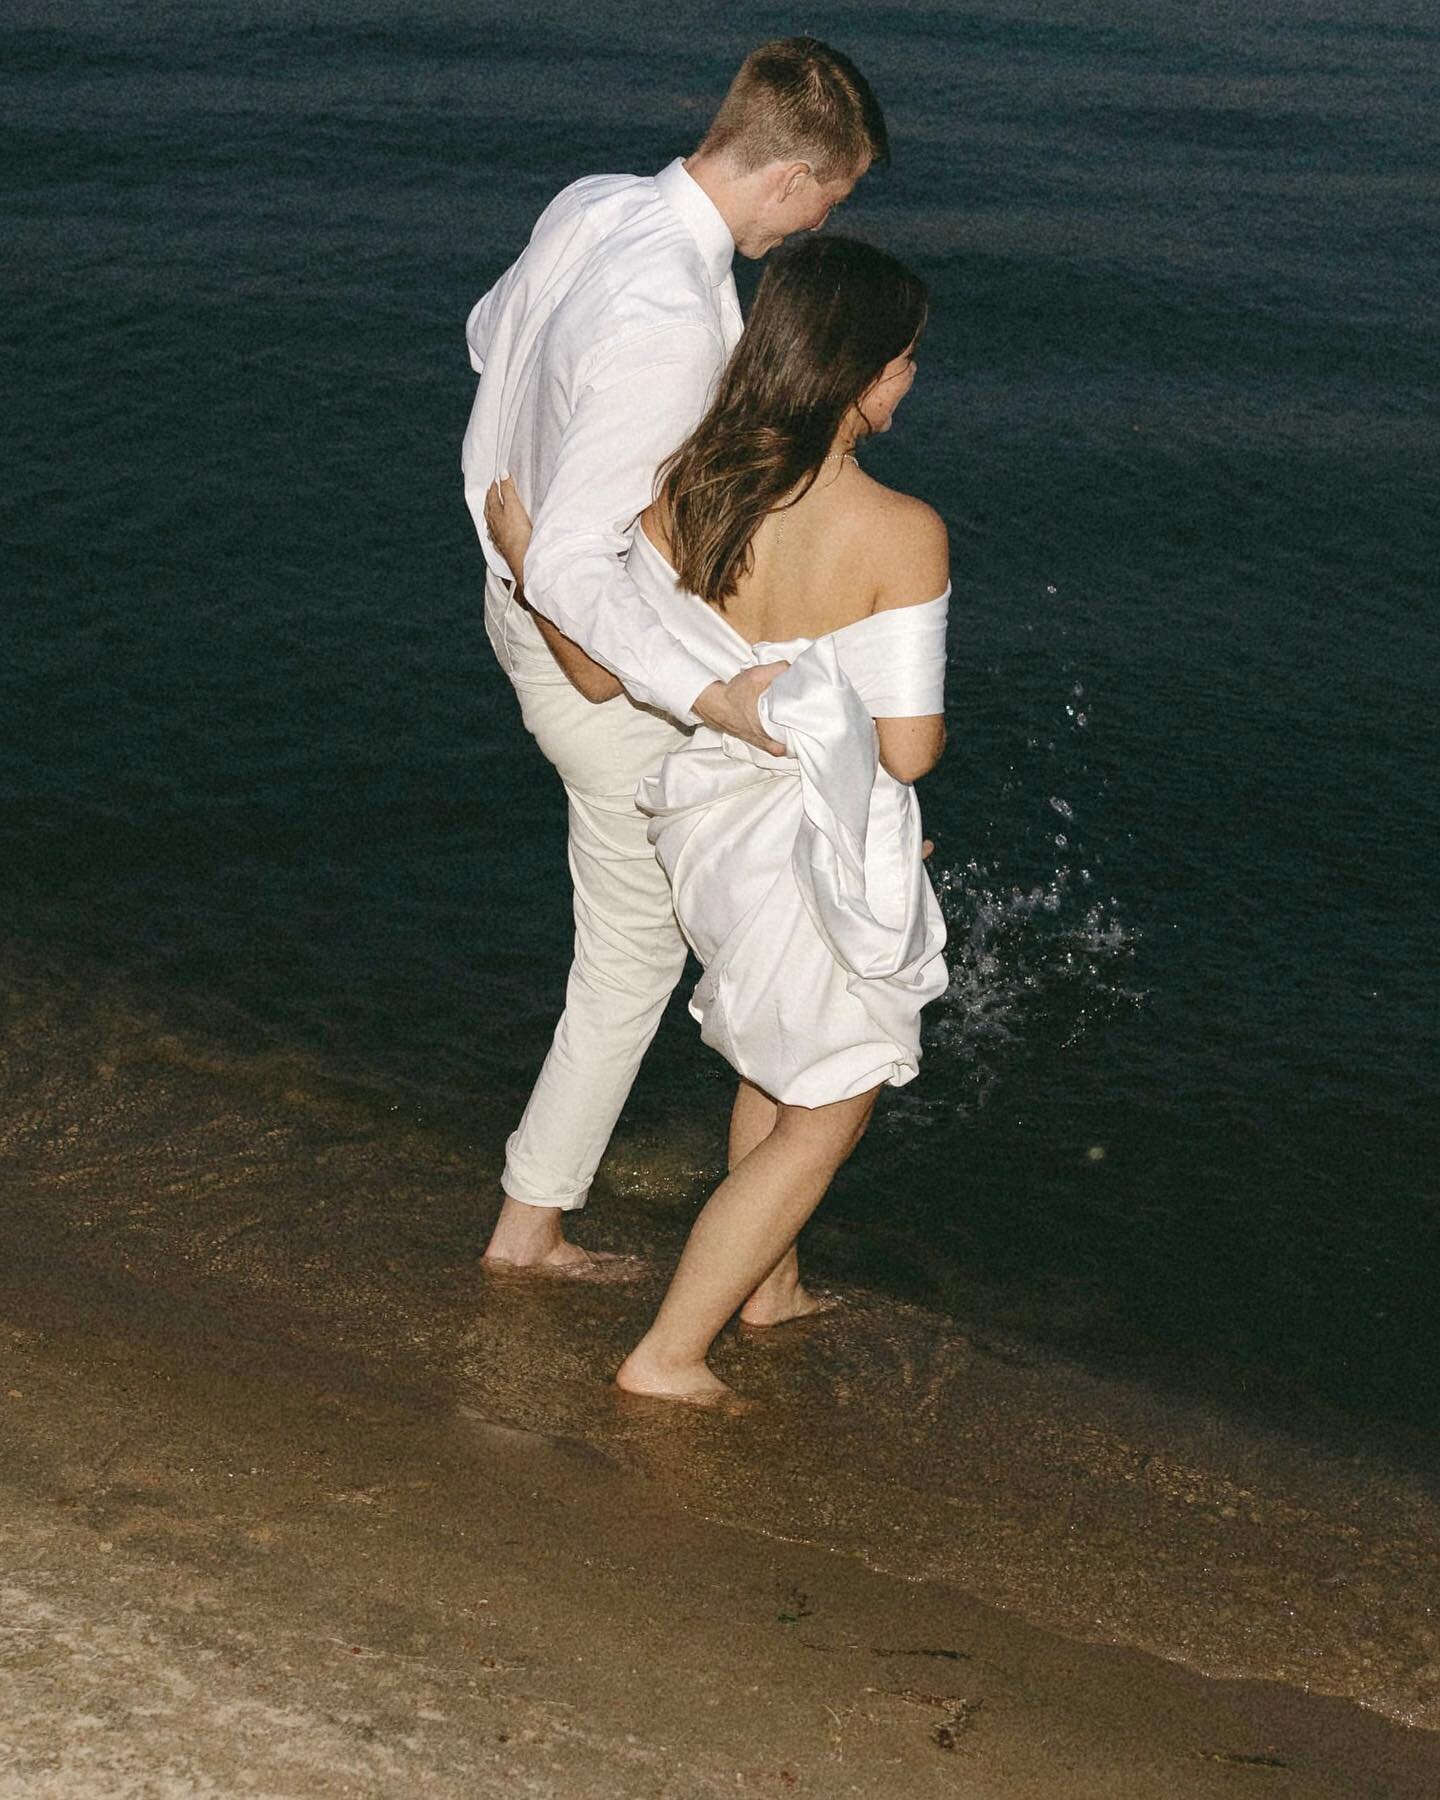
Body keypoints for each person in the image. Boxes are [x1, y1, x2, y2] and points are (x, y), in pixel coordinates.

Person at [484, 236, 949, 1403]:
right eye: (903, 362)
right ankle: (669, 1355)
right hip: (808, 845)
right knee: (827, 1112)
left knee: (775, 1053)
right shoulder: (900, 529)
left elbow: (606, 669)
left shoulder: (689, 487)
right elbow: (905, 749)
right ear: (858, 375)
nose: (909, 383)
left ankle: (770, 1287)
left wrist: (525, 553)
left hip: (707, 821)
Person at [460, 39, 889, 1276]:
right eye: (831, 203)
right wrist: (712, 694)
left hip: (524, 607)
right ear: (793, 176)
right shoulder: (669, 323)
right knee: (649, 950)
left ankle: (749, 1238)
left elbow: (491, 335)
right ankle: (540, 1232)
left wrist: (526, 513)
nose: (820, 229)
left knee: (740, 897)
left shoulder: (592, 203)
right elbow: (583, 576)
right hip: (591, 661)